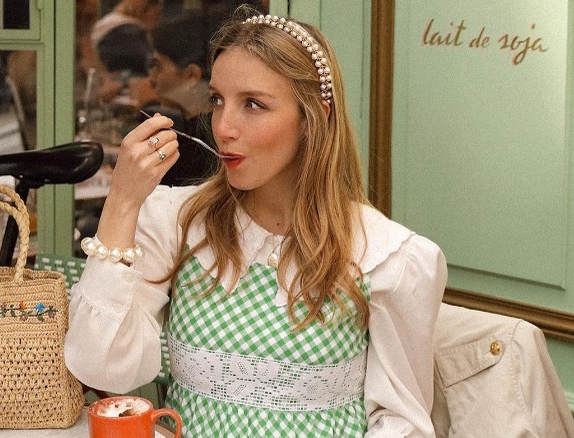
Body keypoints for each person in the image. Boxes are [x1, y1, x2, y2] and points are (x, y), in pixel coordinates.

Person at [64, 6, 447, 437]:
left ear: (314, 117)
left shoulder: (386, 255)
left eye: (253, 104)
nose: (223, 127)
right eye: (217, 100)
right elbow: (101, 367)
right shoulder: (177, 221)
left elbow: (402, 423)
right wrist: (122, 202)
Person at [143, 10, 220, 186]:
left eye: (158, 66)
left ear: (191, 76)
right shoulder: (195, 130)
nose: (151, 79)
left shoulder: (196, 152)